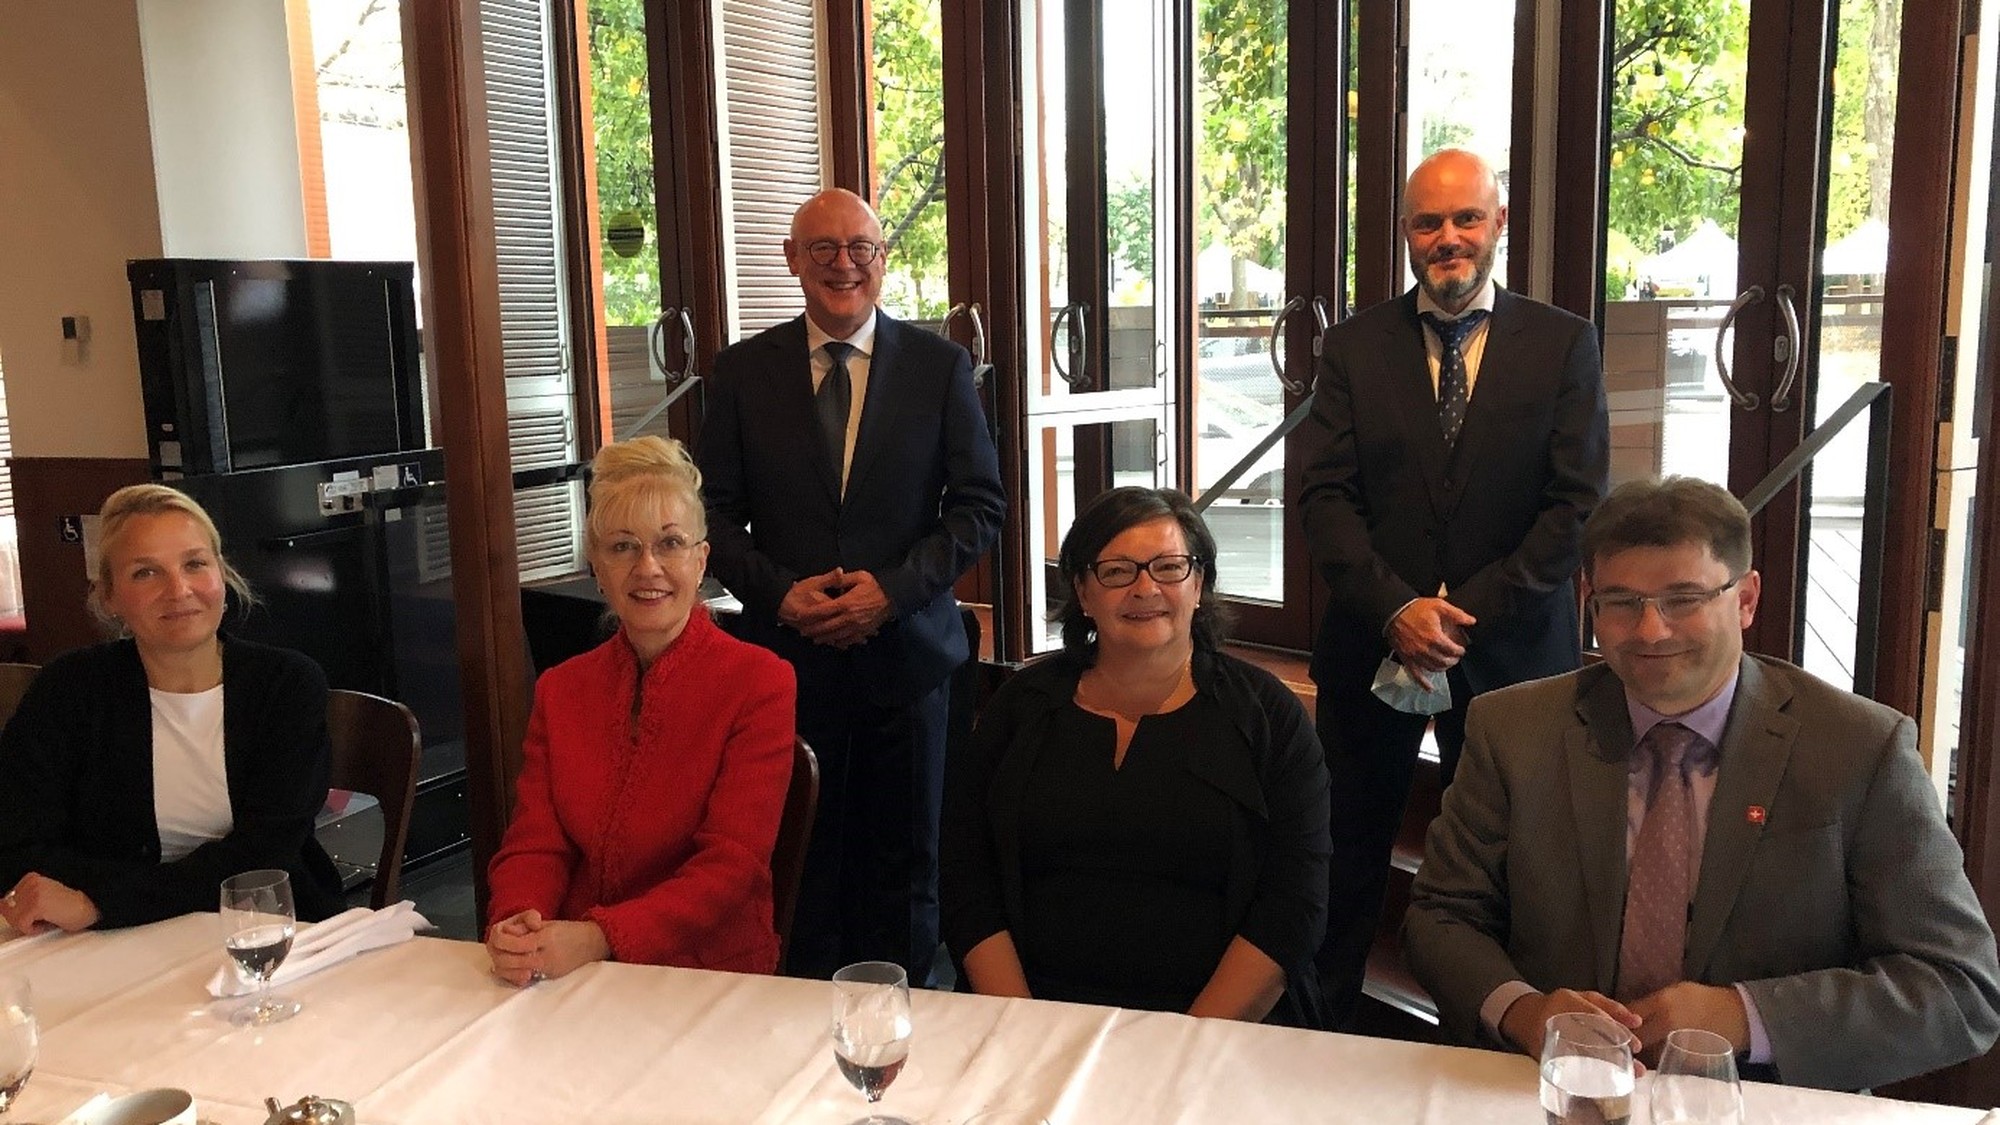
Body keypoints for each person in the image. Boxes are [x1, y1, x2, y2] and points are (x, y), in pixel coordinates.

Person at [1404, 476, 2000, 1091]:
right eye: (1622, 601)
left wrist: (1745, 1014)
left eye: (1683, 599)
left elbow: (1959, 988)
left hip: (1762, 1101)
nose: (1650, 631)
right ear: (1590, 603)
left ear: (1746, 599)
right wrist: (1526, 1013)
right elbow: (1441, 917)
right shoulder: (1513, 729)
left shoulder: (1859, 749)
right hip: (1555, 1091)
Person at [1297, 147, 1609, 1022]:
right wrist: (1397, 607)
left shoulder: (1563, 343)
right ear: (1405, 234)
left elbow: (1576, 503)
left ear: (1499, 223)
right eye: (1428, 222)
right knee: (1350, 848)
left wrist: (1462, 615)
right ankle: (1321, 1031)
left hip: (1511, 654)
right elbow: (1322, 496)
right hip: (1372, 642)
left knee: (1510, 863)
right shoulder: (1352, 348)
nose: (1448, 239)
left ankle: (1492, 1036)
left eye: (1466, 218)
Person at [700, 188, 1006, 982]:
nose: (844, 264)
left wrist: (891, 592)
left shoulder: (940, 368)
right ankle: (800, 1037)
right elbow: (713, 517)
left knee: (904, 866)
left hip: (907, 660)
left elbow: (979, 509)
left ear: (882, 259)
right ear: (792, 260)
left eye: (861, 248)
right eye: (824, 249)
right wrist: (781, 594)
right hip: (785, 665)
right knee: (799, 852)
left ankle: (903, 1036)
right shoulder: (739, 373)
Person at [941, 487, 1330, 1025]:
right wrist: (1022, 1028)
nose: (1146, 588)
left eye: (1169, 567)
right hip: (1029, 1017)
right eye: (1118, 571)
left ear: (1200, 584)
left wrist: (1186, 1042)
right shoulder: (1020, 707)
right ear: (1081, 589)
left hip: (1217, 1030)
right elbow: (966, 878)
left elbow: (1294, 907)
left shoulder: (1269, 717)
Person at [485, 436, 796, 984]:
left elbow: (732, 867)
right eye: (623, 547)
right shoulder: (561, 689)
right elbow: (537, 842)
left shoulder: (761, 682)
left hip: (707, 976)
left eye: (670, 543)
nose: (647, 567)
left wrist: (599, 937)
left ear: (702, 562)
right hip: (572, 972)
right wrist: (517, 922)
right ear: (596, 567)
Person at [0, 484, 342, 932]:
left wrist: (100, 902)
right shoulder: (68, 689)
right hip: (100, 944)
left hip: (264, 930)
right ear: (109, 596)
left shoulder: (286, 685)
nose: (178, 590)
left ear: (222, 574)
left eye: (195, 564)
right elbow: (15, 844)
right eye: (145, 573)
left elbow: (262, 856)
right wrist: (99, 905)